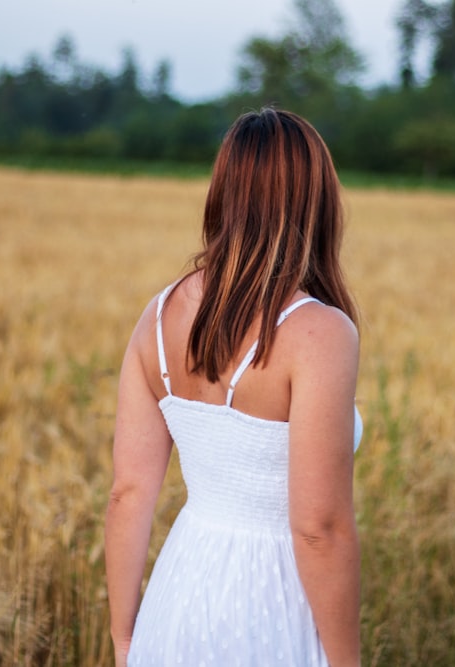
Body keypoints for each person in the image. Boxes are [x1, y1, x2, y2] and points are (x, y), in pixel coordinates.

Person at [104, 108, 362, 667]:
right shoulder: (320, 332)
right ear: (315, 200)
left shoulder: (158, 316)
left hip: (178, 598)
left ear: (224, 193)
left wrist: (125, 641)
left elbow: (128, 493)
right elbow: (318, 528)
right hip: (272, 607)